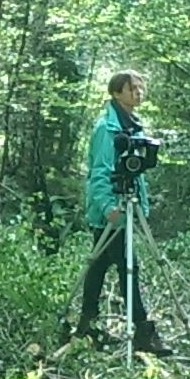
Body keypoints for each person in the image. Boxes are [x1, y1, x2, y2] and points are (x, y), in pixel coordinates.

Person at [75, 71, 170, 356]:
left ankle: (85, 323)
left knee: (99, 265)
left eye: (141, 87)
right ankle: (142, 330)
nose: (138, 93)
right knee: (129, 266)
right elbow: (100, 173)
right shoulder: (107, 128)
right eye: (132, 88)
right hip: (113, 212)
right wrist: (108, 208)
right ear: (117, 92)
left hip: (124, 207)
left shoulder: (131, 126)